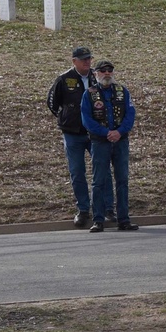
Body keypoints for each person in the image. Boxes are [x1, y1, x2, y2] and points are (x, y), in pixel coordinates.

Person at [47, 45, 112, 228]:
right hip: (73, 134)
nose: (87, 62)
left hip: (96, 134)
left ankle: (108, 209)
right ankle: (83, 210)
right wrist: (67, 118)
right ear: (74, 61)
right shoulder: (63, 79)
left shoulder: (96, 76)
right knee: (77, 172)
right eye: (83, 59)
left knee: (103, 171)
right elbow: (52, 103)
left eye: (89, 58)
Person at [80, 60, 138, 232]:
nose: (107, 74)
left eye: (109, 71)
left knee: (122, 180)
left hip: (120, 141)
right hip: (100, 142)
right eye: (103, 71)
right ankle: (98, 219)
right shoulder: (89, 94)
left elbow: (130, 114)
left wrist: (119, 132)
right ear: (96, 74)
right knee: (98, 181)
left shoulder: (122, 91)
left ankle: (124, 219)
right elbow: (86, 119)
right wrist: (106, 133)